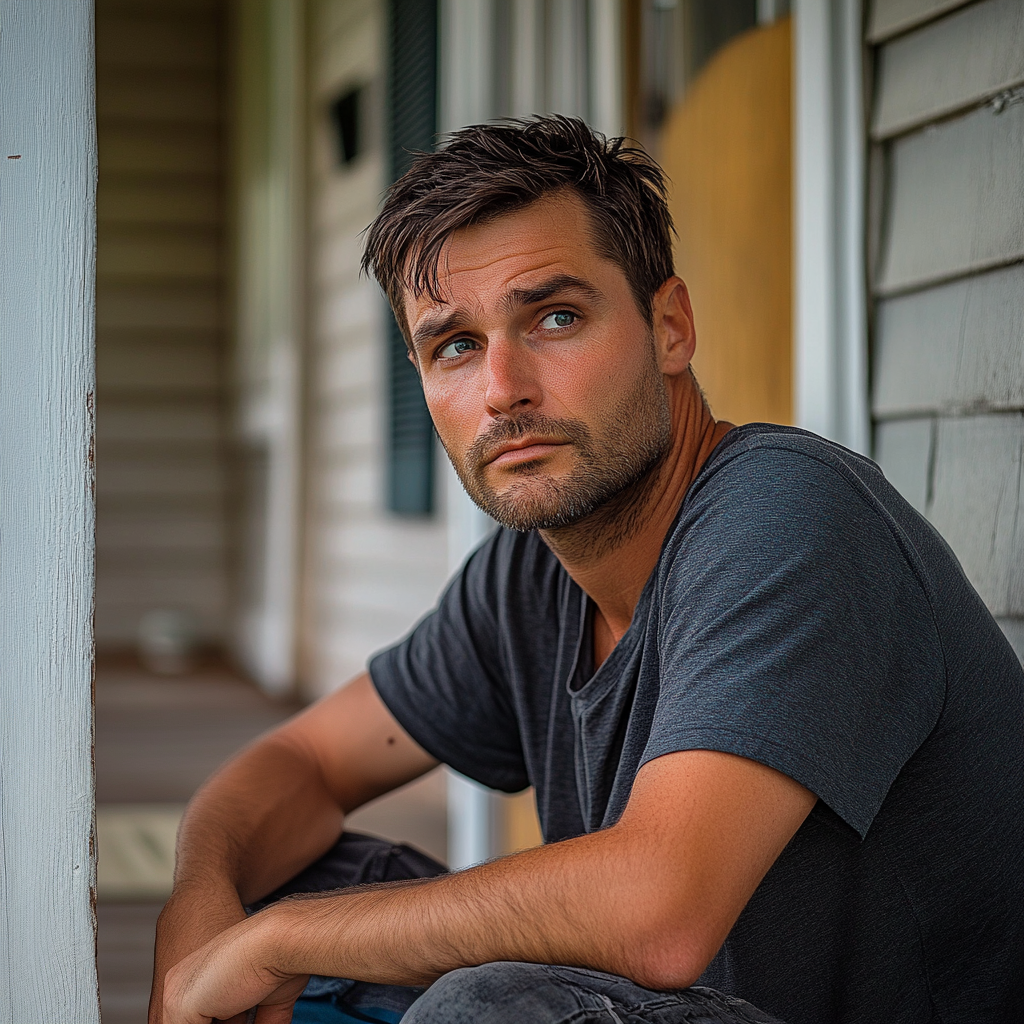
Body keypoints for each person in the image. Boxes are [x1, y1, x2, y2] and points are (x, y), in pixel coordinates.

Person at [153, 116, 1024, 1024]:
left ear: (671, 327)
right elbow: (305, 761)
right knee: (269, 880)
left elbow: (660, 914)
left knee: (478, 1008)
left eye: (555, 318)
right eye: (454, 345)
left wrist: (275, 944)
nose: (503, 388)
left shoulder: (790, 517)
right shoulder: (527, 577)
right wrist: (201, 905)